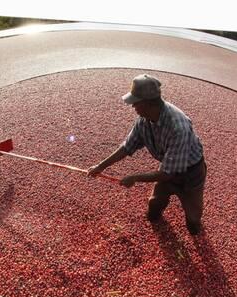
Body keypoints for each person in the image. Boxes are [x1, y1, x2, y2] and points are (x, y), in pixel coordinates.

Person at [88, 74, 206, 235]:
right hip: (169, 166)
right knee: (154, 205)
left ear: (148, 103)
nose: (133, 107)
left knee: (193, 220)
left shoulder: (178, 127)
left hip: (191, 173)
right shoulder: (144, 120)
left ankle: (195, 228)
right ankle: (158, 224)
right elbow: (127, 147)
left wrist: (135, 177)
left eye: (136, 103)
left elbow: (166, 174)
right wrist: (100, 166)